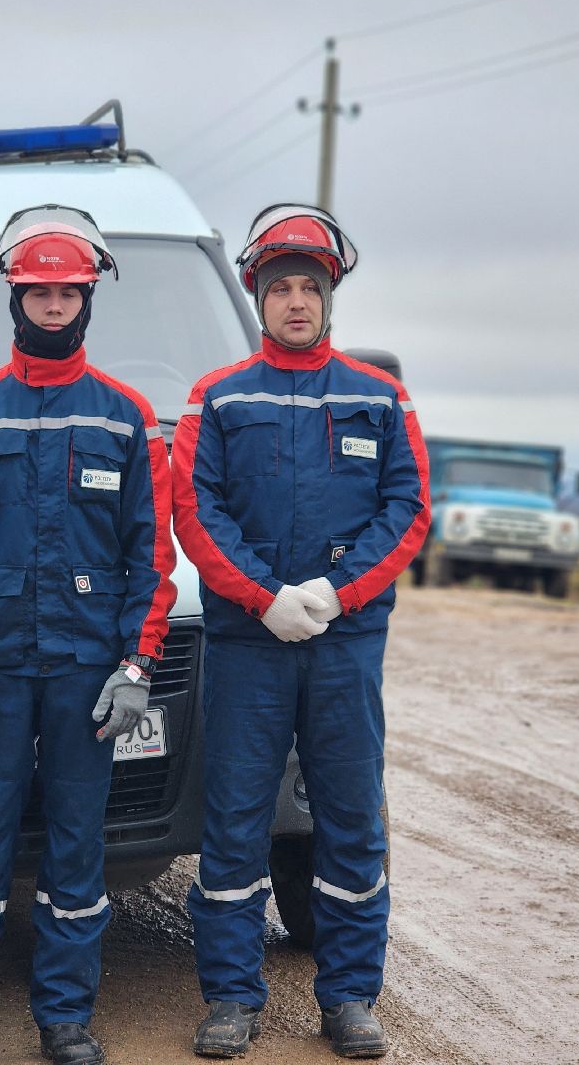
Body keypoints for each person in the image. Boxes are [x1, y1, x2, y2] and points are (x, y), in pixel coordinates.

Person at [0, 205, 177, 1065]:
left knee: (76, 847)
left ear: (88, 298)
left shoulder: (125, 417)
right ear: (14, 300)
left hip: (86, 675)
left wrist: (138, 662)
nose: (53, 305)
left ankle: (66, 1020)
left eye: (68, 292)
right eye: (39, 292)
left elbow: (152, 555)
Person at [170, 204, 429, 1059]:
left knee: (350, 819)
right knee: (236, 821)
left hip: (344, 646)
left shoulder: (380, 396)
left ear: (328, 299)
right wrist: (263, 596)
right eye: (279, 287)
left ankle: (350, 997)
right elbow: (195, 512)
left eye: (307, 288)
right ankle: (232, 999)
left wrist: (337, 592)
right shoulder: (217, 396)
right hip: (250, 644)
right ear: (257, 298)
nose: (294, 302)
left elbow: (410, 510)